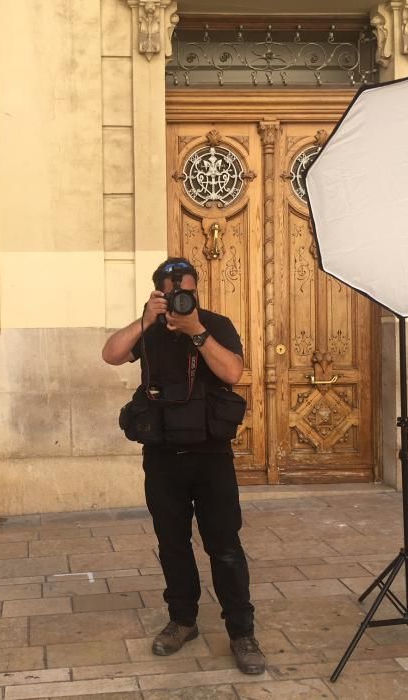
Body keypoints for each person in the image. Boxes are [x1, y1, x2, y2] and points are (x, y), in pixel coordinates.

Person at [101, 257, 265, 675]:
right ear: (158, 292)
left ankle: (242, 633)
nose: (180, 299)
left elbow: (233, 371)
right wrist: (144, 320)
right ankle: (183, 621)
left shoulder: (215, 324)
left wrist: (197, 332)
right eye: (172, 293)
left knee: (225, 547)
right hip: (162, 456)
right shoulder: (150, 329)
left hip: (211, 456)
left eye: (186, 291)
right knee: (172, 544)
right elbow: (111, 354)